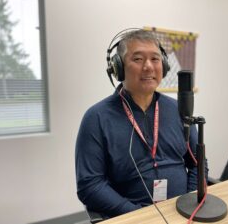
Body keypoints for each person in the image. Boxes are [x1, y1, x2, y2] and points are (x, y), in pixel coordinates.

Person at [75, 29, 208, 218]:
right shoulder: (96, 118)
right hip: (132, 217)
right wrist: (139, 215)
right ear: (118, 68)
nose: (148, 67)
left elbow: (198, 163)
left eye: (155, 59)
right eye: (137, 59)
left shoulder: (179, 110)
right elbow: (89, 185)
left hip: (183, 212)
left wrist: (190, 202)